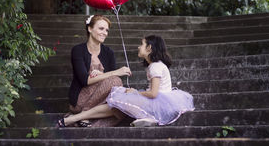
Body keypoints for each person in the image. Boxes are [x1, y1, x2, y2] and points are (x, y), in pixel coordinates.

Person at [57, 35, 194, 127]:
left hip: (157, 102)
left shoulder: (156, 67)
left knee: (118, 100)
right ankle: (146, 118)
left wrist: (135, 93)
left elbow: (153, 94)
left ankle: (76, 118)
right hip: (157, 101)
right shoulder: (155, 65)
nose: (138, 47)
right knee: (118, 104)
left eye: (142, 44)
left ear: (149, 48)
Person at [63, 15, 132, 127]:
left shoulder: (108, 52)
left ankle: (85, 123)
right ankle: (84, 114)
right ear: (90, 29)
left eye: (107, 30)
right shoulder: (78, 50)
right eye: (101, 29)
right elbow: (85, 80)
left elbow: (110, 87)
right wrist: (115, 72)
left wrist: (103, 74)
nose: (105, 33)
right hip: (80, 99)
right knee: (116, 80)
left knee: (122, 109)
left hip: (101, 100)